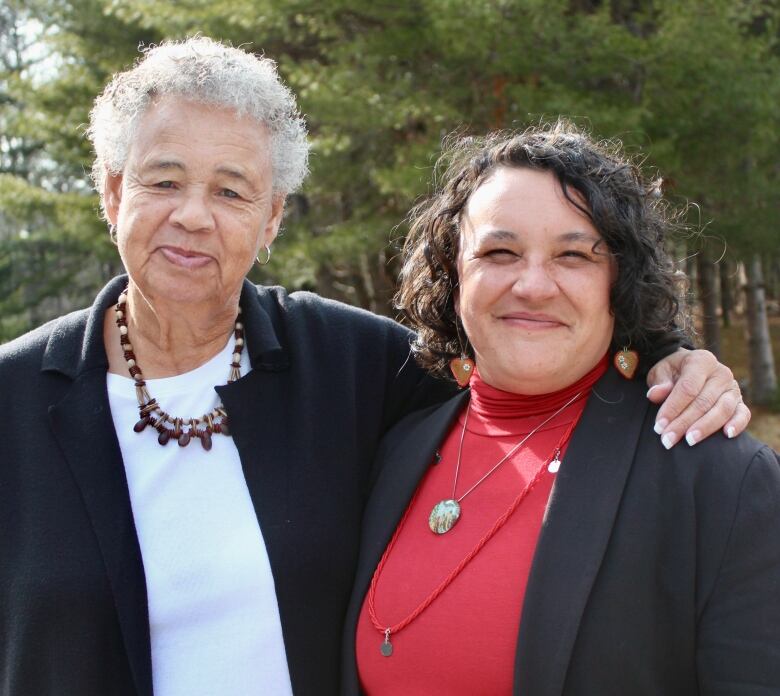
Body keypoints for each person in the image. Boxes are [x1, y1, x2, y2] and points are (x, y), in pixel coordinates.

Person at [0, 38, 751, 696]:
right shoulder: (12, 400)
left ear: (271, 221)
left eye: (231, 190)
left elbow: (526, 337)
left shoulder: (351, 364)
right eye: (163, 180)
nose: (194, 215)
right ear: (110, 191)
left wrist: (668, 354)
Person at [342, 124, 780, 695]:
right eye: (500, 252)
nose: (532, 284)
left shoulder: (717, 475)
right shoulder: (396, 449)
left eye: (573, 255)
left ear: (618, 281)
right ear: (454, 274)